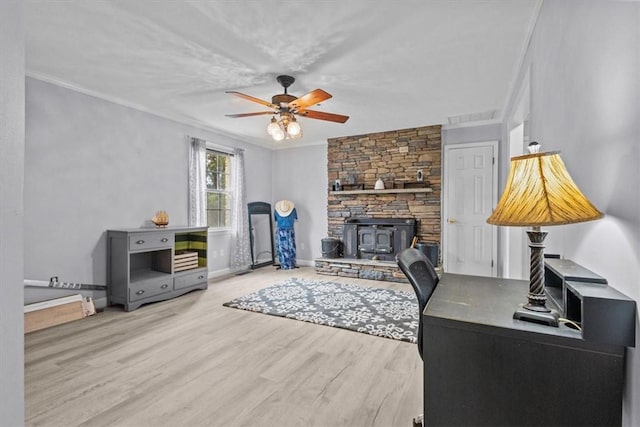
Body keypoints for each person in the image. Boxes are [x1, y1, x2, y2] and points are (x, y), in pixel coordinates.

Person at [274, 200, 298, 269]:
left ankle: (284, 265)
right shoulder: (293, 211)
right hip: (290, 230)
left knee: (282, 248)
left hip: (281, 231)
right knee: (291, 247)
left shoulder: (276, 211)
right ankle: (291, 264)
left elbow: (275, 220)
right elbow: (295, 218)